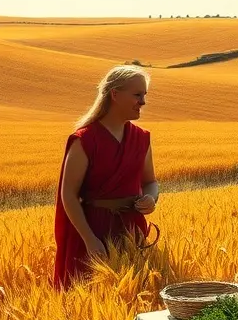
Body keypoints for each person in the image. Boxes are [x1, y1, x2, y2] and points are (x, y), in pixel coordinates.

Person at [52, 65, 160, 288]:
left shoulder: (142, 138)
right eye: (137, 95)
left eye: (144, 95)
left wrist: (152, 198)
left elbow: (150, 182)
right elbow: (69, 195)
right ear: (115, 95)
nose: (143, 102)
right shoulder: (85, 140)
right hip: (93, 230)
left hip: (132, 230)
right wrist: (90, 240)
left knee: (135, 295)